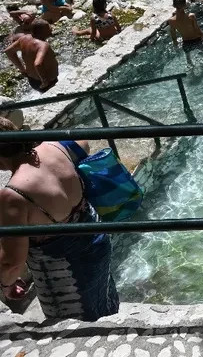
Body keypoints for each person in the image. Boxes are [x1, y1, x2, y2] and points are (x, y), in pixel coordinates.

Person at [0, 117, 120, 320]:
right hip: (96, 242)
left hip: (65, 273)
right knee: (104, 303)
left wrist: (6, 285)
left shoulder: (13, 196)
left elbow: (12, 262)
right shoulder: (56, 146)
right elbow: (83, 143)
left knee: (77, 324)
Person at [4, 20, 58, 92]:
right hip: (48, 82)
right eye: (48, 27)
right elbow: (37, 64)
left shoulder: (24, 39)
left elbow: (8, 51)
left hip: (33, 81)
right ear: (42, 32)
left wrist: (22, 69)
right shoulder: (43, 45)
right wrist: (45, 81)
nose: (51, 28)